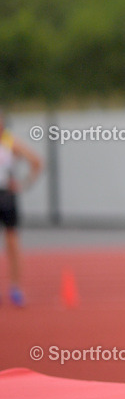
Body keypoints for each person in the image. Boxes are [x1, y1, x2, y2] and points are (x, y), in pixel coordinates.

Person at [0, 112, 44, 307]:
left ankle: (15, 288)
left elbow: (36, 162)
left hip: (6, 197)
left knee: (12, 242)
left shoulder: (10, 142)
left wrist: (24, 184)